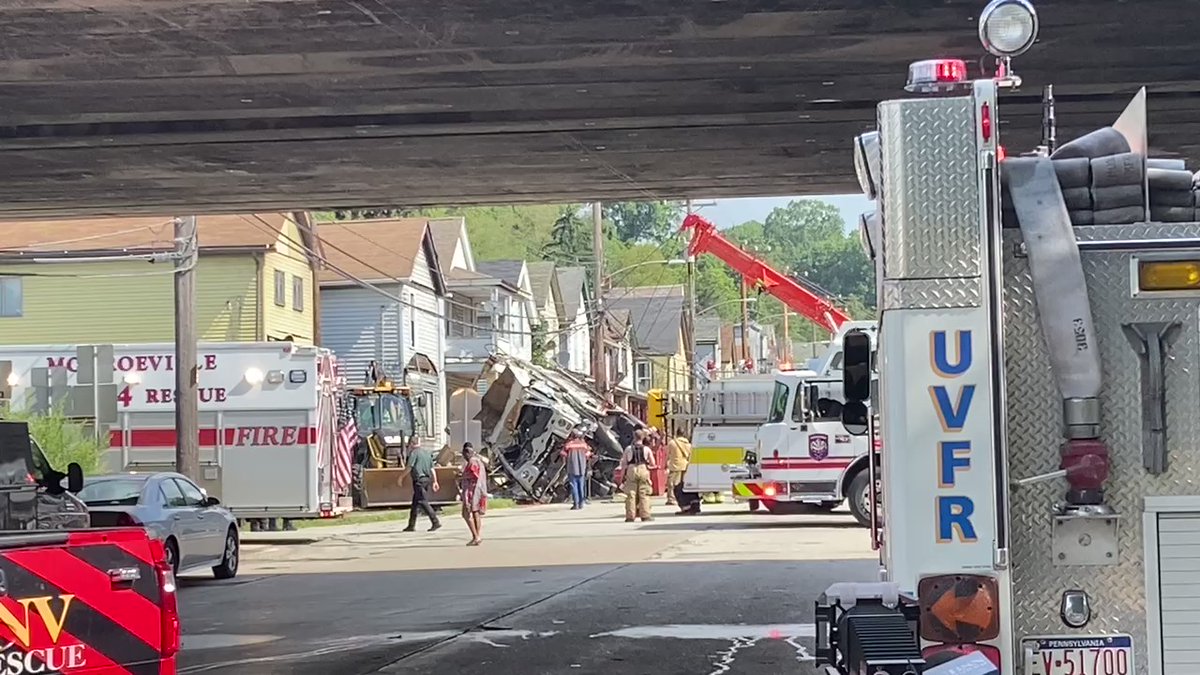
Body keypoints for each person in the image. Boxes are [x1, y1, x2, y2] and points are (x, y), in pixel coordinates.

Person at [402, 441, 442, 532]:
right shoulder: (426, 453)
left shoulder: (414, 453)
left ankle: (435, 521)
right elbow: (432, 468)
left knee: (422, 501)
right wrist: (435, 481)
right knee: (415, 503)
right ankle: (411, 525)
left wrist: (401, 477)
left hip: (419, 481)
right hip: (427, 480)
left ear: (412, 444)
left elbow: (409, 467)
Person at [619, 429, 656, 523]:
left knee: (631, 494)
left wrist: (622, 477)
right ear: (643, 437)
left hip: (631, 469)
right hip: (643, 469)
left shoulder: (628, 449)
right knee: (644, 493)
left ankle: (630, 516)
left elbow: (624, 463)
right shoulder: (647, 449)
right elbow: (652, 463)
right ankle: (645, 515)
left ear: (634, 437)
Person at [459, 443, 487, 546]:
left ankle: (476, 536)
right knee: (476, 513)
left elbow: (474, 474)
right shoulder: (479, 460)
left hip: (472, 491)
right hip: (478, 490)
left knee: (466, 514)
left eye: (464, 453)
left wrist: (462, 476)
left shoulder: (472, 461)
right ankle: (477, 536)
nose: (463, 456)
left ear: (467, 452)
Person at [561, 429, 592, 510]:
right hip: (582, 468)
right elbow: (588, 455)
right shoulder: (584, 445)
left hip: (572, 468)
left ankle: (576, 504)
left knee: (574, 485)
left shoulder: (568, 445)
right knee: (581, 485)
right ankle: (581, 503)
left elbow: (563, 455)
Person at [665, 432, 692, 507]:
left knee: (671, 483)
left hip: (675, 465)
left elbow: (667, 454)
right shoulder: (688, 444)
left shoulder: (672, 443)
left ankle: (671, 498)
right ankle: (683, 498)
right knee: (682, 484)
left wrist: (665, 464)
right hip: (685, 465)